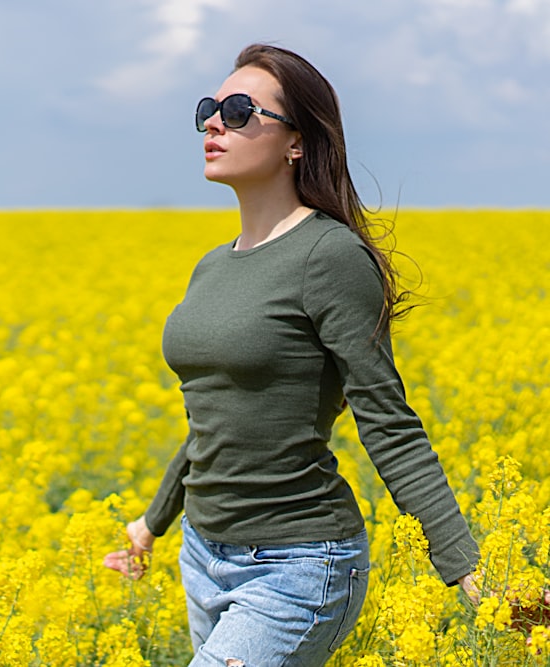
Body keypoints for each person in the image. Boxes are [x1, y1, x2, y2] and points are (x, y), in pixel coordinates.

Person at [103, 43, 480, 666]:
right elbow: (217, 420)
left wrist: (468, 570)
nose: (214, 123)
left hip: (296, 567)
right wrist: (152, 524)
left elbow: (388, 423)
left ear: (296, 142)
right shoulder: (212, 266)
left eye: (239, 109)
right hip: (203, 555)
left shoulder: (330, 258)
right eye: (209, 109)